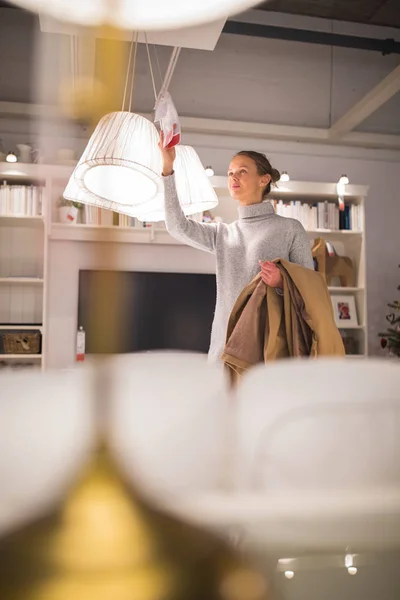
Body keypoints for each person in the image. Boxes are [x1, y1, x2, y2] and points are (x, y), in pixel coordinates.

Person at [159, 137, 314, 363]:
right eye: (231, 172)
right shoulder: (223, 234)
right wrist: (167, 170)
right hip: (224, 348)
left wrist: (282, 282)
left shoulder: (290, 228)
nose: (233, 177)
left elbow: (310, 289)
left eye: (242, 171)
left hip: (269, 350)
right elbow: (177, 226)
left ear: (264, 179)